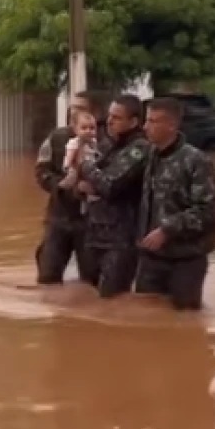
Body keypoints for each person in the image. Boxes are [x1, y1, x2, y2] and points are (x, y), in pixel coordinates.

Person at [135, 97, 215, 310]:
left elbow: (206, 211)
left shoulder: (196, 161)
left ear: (171, 125)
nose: (145, 127)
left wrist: (167, 229)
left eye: (153, 121)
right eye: (146, 120)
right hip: (151, 258)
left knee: (185, 321)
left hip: (186, 258)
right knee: (145, 319)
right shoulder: (149, 156)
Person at [77, 94, 150, 298]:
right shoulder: (108, 144)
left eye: (116, 117)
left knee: (112, 298)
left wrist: (86, 165)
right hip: (94, 233)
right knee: (87, 296)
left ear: (133, 122)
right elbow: (84, 183)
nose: (109, 121)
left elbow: (110, 184)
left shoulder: (139, 148)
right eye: (109, 115)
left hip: (120, 240)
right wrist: (87, 181)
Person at [34, 90, 105, 284]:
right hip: (59, 216)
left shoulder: (106, 141)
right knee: (48, 276)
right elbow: (41, 171)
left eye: (81, 108)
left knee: (91, 279)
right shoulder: (56, 137)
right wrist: (63, 185)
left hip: (92, 221)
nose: (74, 111)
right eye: (73, 107)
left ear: (96, 113)